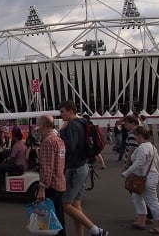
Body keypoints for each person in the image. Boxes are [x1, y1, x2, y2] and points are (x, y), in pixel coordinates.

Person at [59, 100, 109, 236]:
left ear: (70, 111)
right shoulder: (83, 122)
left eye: (62, 111)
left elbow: (69, 146)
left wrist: (61, 132)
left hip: (75, 168)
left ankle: (95, 230)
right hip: (82, 165)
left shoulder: (72, 125)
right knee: (76, 205)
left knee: (65, 204)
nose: (61, 114)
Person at [122, 126, 159, 234]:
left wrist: (126, 173)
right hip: (148, 176)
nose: (134, 137)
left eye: (135, 135)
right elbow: (157, 164)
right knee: (137, 198)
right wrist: (158, 176)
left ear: (140, 135)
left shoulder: (143, 148)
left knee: (152, 201)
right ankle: (141, 220)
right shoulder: (151, 146)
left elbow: (139, 163)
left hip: (145, 177)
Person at [36, 114, 67, 236]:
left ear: (43, 125)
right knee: (59, 217)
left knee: (51, 220)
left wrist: (42, 188)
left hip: (51, 185)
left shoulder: (48, 141)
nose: (38, 125)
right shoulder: (58, 140)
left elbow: (47, 167)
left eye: (39, 123)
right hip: (60, 182)